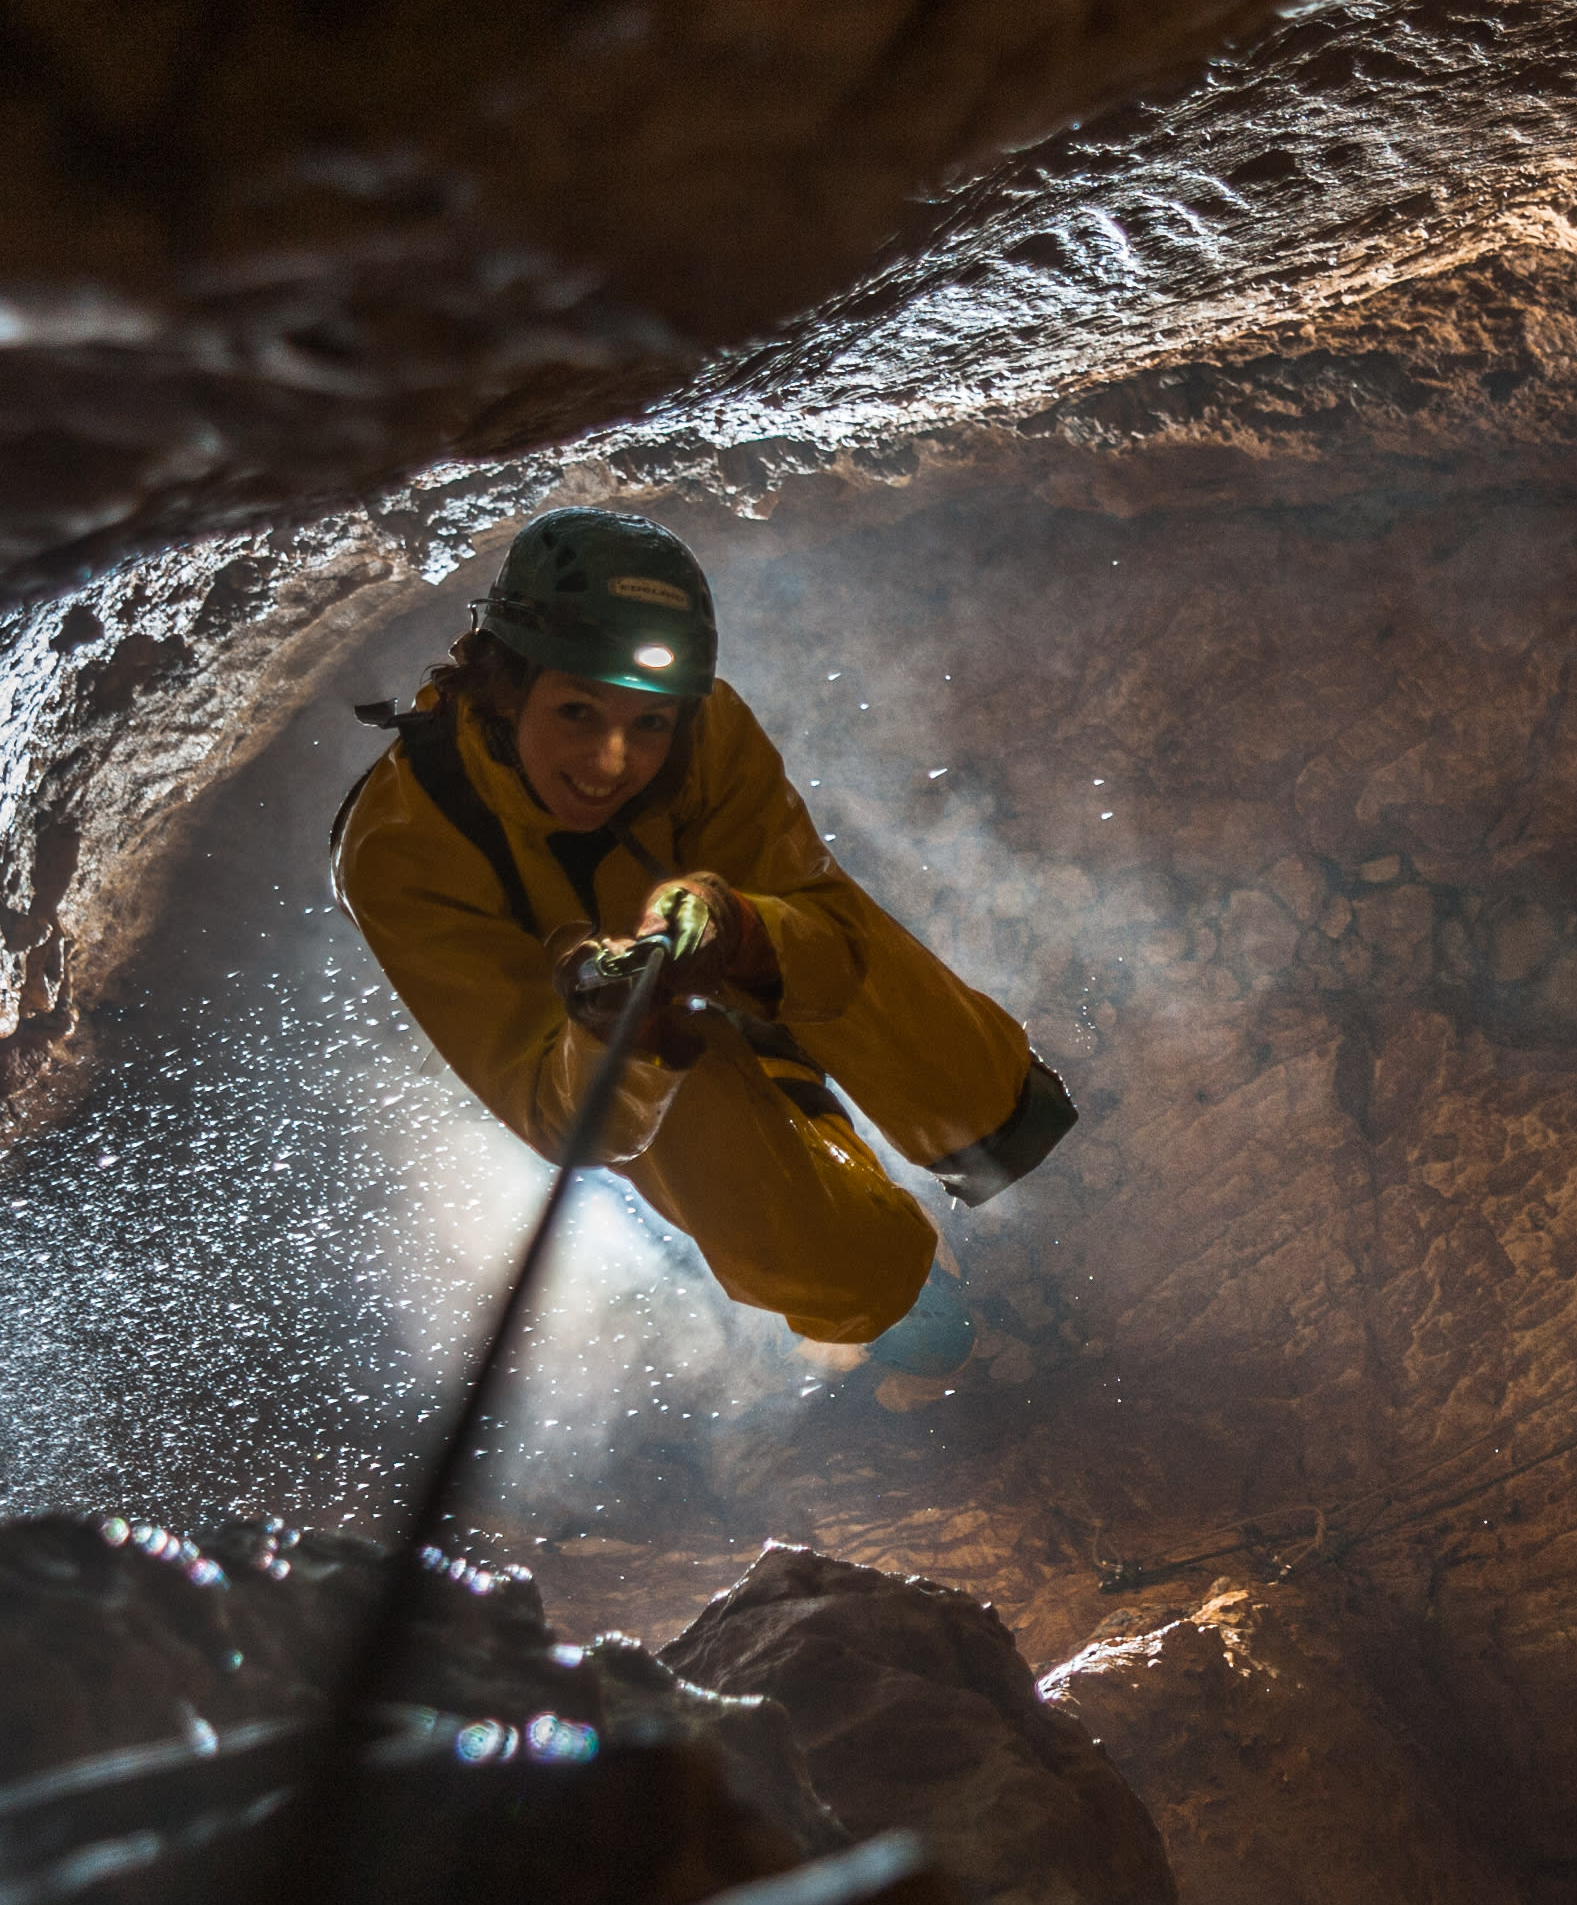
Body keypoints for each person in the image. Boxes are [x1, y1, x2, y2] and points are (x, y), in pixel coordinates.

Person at [331, 509, 1075, 1403]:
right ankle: (887, 1291)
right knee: (804, 1236)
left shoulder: (709, 727)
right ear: (504, 686)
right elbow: (560, 1117)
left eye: (650, 724)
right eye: (577, 711)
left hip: (707, 942)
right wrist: (617, 1032)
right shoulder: (402, 854)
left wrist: (745, 932)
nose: (611, 760)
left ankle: (987, 1143)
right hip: (580, 1020)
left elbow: (831, 940)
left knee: (973, 1085)